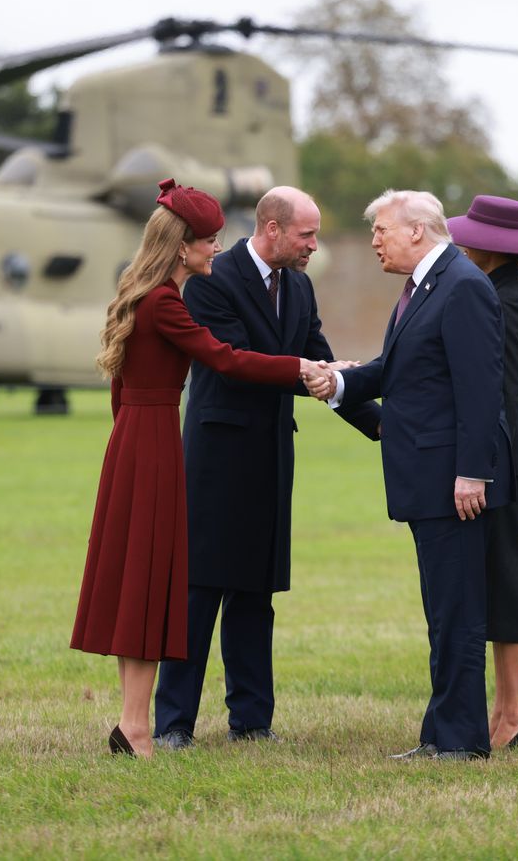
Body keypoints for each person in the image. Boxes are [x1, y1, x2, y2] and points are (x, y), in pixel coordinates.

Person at [69, 178, 329, 758]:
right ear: (183, 245)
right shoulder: (170, 299)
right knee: (168, 585)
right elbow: (223, 357)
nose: (217, 247)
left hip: (139, 436)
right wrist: (303, 369)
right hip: (164, 442)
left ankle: (137, 725)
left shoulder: (141, 292)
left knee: (146, 582)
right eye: (209, 240)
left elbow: (119, 389)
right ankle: (150, 725)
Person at [153, 186, 380, 749]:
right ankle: (173, 723)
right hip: (215, 458)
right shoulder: (213, 281)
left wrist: (382, 426)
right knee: (199, 592)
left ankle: (252, 722)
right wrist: (307, 367)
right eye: (306, 235)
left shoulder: (299, 286)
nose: (313, 245)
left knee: (256, 593)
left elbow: (322, 368)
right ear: (272, 229)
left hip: (272, 457)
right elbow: (232, 363)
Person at [317, 189, 513, 760]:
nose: (374, 240)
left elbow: (481, 389)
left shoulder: (463, 286)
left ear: (418, 231)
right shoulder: (425, 286)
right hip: (426, 477)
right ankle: (441, 734)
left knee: (457, 612)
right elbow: (399, 372)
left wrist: (472, 473)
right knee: (442, 611)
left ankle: (460, 742)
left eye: (382, 229)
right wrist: (339, 384)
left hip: (453, 481)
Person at [446, 195, 518, 750]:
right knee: (497, 577)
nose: (462, 242)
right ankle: (505, 710)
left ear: (494, 247)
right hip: (501, 449)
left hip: (505, 453)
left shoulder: (506, 299)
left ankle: (516, 713)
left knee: (510, 579)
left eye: (471, 237)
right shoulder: (497, 289)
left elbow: (490, 388)